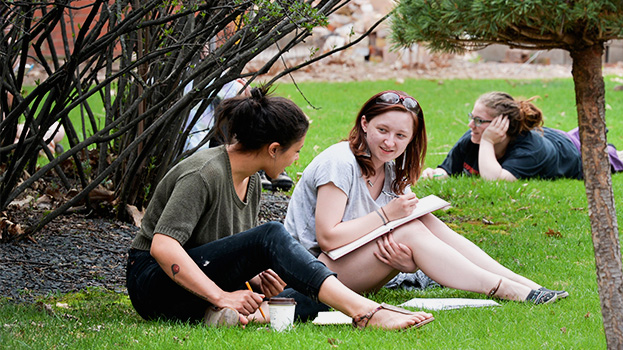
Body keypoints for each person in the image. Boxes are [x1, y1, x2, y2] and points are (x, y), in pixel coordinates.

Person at [126, 86, 433, 330]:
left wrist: (255, 278)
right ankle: (366, 312)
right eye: (296, 151)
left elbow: (228, 247)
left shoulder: (252, 180)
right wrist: (222, 294)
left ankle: (228, 315)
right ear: (274, 150)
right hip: (154, 285)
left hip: (198, 283)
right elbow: (163, 248)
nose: (296, 160)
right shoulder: (203, 173)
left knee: (310, 295)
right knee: (270, 234)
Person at [283, 90, 568, 304]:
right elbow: (328, 237)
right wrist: (386, 215)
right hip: (306, 274)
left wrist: (408, 263)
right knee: (408, 228)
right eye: (382, 130)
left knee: (424, 220)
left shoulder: (390, 166)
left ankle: (524, 284)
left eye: (400, 136)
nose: (389, 142)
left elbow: (406, 230)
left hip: (345, 266)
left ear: (411, 139)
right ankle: (505, 289)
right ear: (365, 123)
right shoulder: (340, 161)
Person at [421, 92, 623, 182]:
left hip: (572, 154)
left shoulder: (530, 149)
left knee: (600, 159)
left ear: (502, 126)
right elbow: (448, 169)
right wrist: (435, 174)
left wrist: (488, 141)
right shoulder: (473, 136)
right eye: (472, 117)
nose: (471, 125)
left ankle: (615, 154)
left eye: (479, 120)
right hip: (552, 139)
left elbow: (496, 180)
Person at [181, 78, 294, 191]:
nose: (297, 157)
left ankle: (259, 167)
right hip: (195, 147)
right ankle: (257, 162)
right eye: (296, 151)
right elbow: (239, 92)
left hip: (201, 146)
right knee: (241, 103)